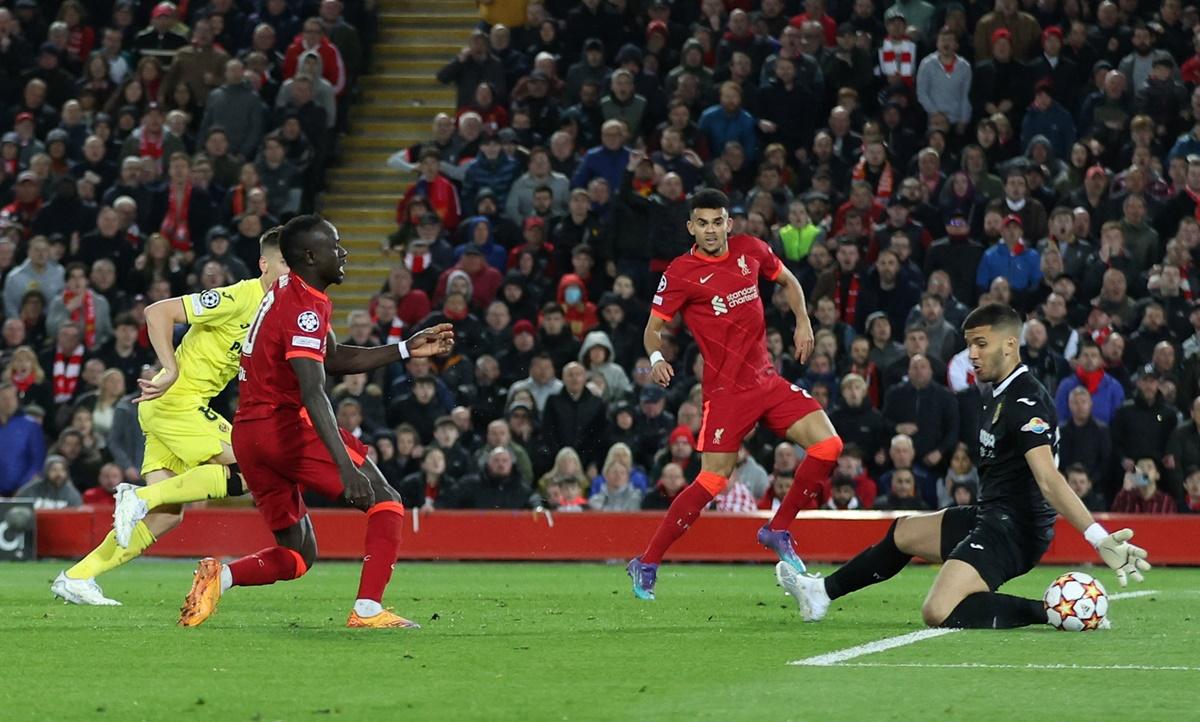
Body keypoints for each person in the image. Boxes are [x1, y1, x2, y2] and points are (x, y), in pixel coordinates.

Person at [777, 304, 1151, 629]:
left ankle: (1058, 612)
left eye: (981, 344)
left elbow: (1049, 479)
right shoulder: (997, 392)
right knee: (904, 533)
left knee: (938, 610)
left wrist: (1098, 537)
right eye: (969, 344)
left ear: (1010, 344)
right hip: (992, 515)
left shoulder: (1025, 402)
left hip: (1014, 529)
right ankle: (820, 593)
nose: (972, 354)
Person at [175, 215, 454, 629]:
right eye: (334, 245)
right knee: (386, 499)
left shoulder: (288, 290)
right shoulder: (305, 305)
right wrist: (345, 466)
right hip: (281, 426)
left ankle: (221, 577)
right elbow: (313, 390)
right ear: (309, 256)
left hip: (250, 434)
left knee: (297, 554)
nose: (342, 253)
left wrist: (403, 350)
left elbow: (333, 357)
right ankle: (368, 610)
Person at [627, 189, 843, 601]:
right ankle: (648, 560)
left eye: (718, 221)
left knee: (828, 446)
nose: (711, 230)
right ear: (692, 227)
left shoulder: (751, 250)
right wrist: (656, 357)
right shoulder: (681, 272)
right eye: (702, 223)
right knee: (711, 479)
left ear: (730, 223)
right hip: (726, 393)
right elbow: (652, 329)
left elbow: (789, 279)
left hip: (767, 380)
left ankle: (777, 529)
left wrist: (803, 321)